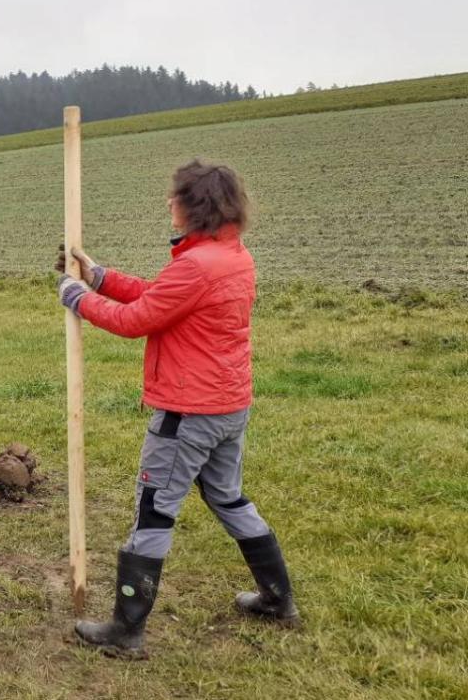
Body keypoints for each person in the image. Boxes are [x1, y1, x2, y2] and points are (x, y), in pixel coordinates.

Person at [56, 159, 299, 657]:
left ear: (196, 206)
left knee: (154, 512)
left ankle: (126, 632)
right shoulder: (230, 256)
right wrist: (100, 278)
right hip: (228, 407)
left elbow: (137, 319)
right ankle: (278, 599)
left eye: (175, 197)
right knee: (229, 499)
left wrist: (75, 297)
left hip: (187, 413)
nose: (168, 204)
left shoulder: (197, 265)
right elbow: (161, 297)